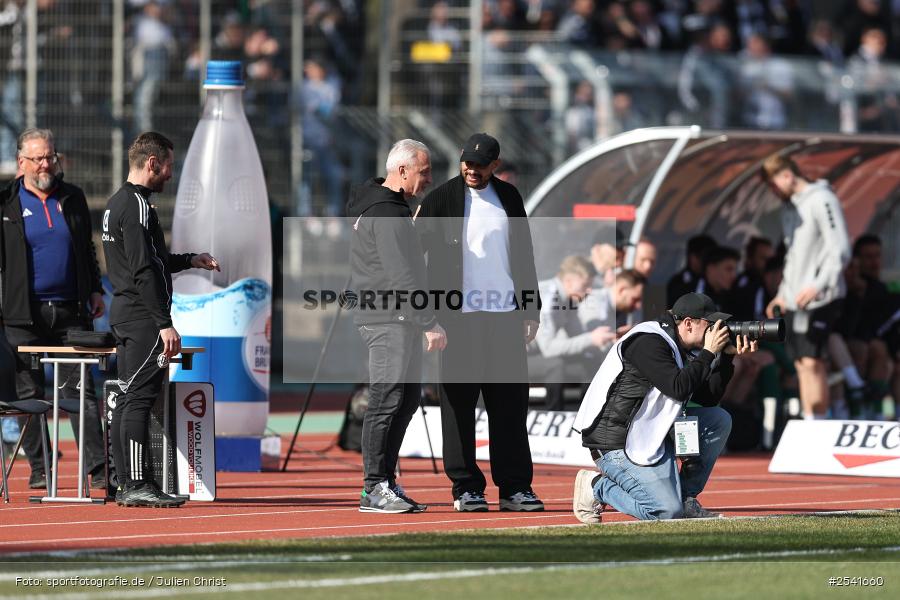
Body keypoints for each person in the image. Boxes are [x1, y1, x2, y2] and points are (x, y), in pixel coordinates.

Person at [417, 132, 543, 512]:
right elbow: (412, 255)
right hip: (458, 320)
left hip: (505, 317)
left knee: (510, 405)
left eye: (480, 165)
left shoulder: (510, 198)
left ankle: (515, 487)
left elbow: (524, 255)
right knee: (458, 405)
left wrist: (530, 309)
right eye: (467, 163)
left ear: (495, 165)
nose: (472, 170)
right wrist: (427, 316)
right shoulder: (440, 199)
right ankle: (466, 487)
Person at [102, 132, 219, 508]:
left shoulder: (117, 203)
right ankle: (137, 483)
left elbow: (151, 261)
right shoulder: (136, 206)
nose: (171, 173)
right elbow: (142, 270)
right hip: (142, 319)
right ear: (152, 163)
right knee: (138, 399)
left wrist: (190, 260)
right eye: (169, 165)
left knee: (127, 399)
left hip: (126, 314)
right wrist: (163, 322)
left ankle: (125, 483)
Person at [572, 293, 756, 522]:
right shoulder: (648, 341)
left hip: (650, 434)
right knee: (665, 512)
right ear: (688, 323)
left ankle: (686, 499)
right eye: (710, 324)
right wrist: (708, 353)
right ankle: (596, 486)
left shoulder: (680, 346)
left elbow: (707, 399)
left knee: (717, 419)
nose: (715, 330)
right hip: (617, 442)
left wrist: (725, 358)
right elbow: (677, 388)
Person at [0, 128, 106, 490]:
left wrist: (95, 289)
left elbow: (87, 249)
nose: (46, 164)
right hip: (23, 316)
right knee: (28, 394)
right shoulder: (7, 202)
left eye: (50, 157)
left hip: (70, 312)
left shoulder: (73, 197)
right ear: (21, 162)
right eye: (38, 158)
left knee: (81, 392)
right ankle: (41, 468)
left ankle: (99, 470)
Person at [346, 138, 446, 514]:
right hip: (388, 318)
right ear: (402, 171)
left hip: (396, 317)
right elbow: (400, 274)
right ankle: (374, 487)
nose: (429, 179)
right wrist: (429, 321)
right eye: (424, 172)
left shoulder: (389, 208)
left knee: (404, 401)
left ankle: (385, 482)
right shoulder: (386, 212)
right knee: (386, 401)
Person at [762, 155, 851, 419]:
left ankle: (819, 421)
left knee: (813, 361)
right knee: (801, 363)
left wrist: (818, 285)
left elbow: (840, 250)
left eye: (774, 185)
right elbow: (793, 256)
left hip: (821, 296)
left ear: (787, 175)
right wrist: (782, 294)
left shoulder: (822, 199)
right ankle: (811, 419)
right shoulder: (789, 208)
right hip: (796, 298)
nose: (773, 192)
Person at [528, 255, 616, 411]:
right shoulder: (547, 299)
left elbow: (577, 337)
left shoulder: (569, 299)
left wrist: (609, 339)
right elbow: (549, 349)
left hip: (533, 353)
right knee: (555, 365)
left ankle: (588, 414)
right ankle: (553, 416)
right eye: (585, 285)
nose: (589, 291)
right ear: (568, 281)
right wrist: (591, 339)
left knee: (589, 362)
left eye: (590, 286)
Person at [666, 234, 717, 307]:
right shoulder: (678, 284)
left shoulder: (715, 283)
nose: (710, 264)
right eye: (707, 259)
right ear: (693, 258)